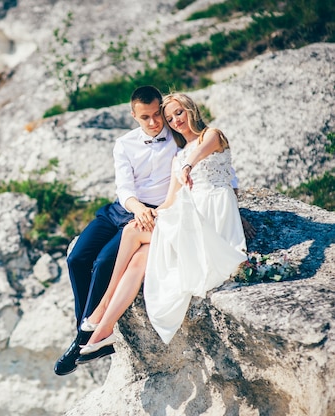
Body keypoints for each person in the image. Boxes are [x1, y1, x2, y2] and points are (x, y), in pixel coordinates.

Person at [77, 92, 248, 358]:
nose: (173, 121)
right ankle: (102, 333)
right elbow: (169, 201)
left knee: (131, 232)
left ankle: (101, 307)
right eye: (170, 117)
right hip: (190, 214)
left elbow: (203, 158)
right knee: (139, 257)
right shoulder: (177, 156)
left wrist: (188, 167)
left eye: (177, 113)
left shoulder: (211, 136)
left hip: (214, 213)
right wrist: (150, 215)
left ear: (191, 110)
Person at [54, 85, 180, 376]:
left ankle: (82, 342)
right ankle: (84, 327)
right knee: (77, 258)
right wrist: (136, 207)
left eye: (156, 114)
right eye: (145, 117)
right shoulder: (124, 143)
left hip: (152, 214)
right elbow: (124, 187)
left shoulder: (177, 139)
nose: (153, 122)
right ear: (133, 115)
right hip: (123, 209)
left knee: (103, 263)